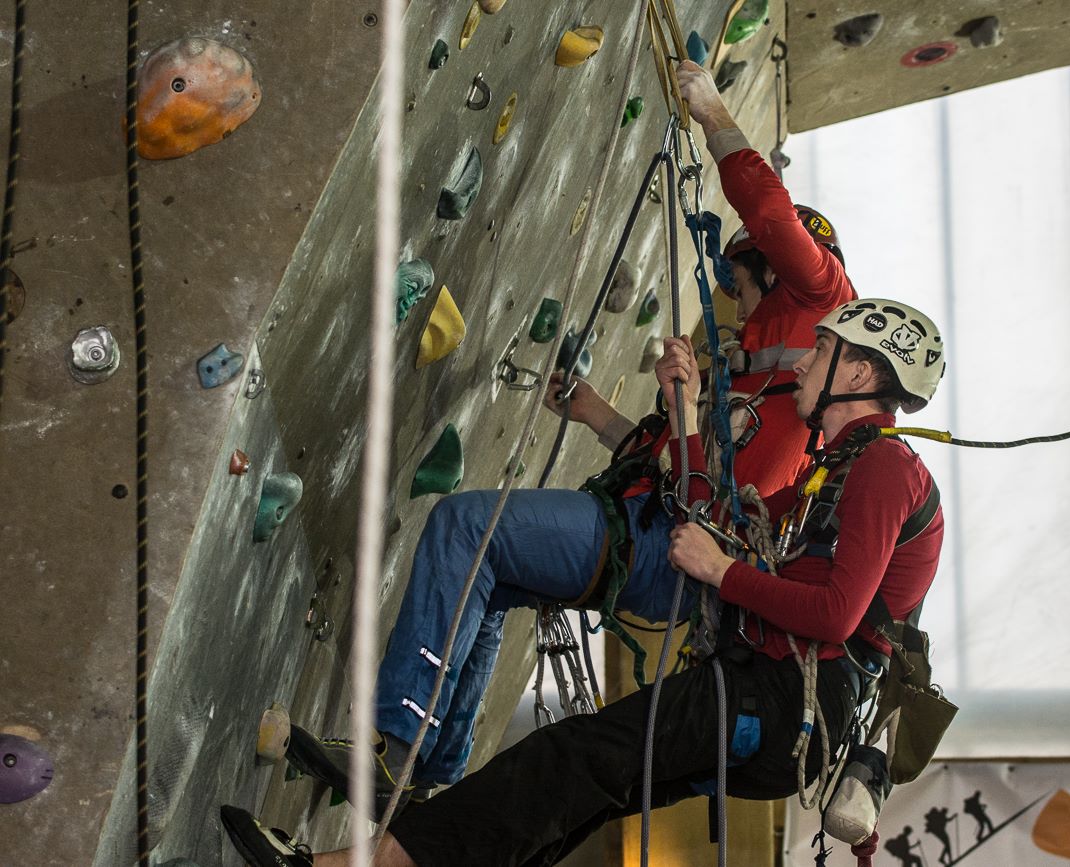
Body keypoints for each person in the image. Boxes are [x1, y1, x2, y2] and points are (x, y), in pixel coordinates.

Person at [279, 59, 856, 818]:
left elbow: (772, 214)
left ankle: (397, 742)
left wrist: (715, 114)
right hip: (662, 541)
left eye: (744, 285)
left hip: (671, 549)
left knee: (466, 525)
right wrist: (601, 417)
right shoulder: (762, 385)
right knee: (496, 577)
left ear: (775, 270)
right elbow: (682, 472)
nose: (738, 306)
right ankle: (434, 762)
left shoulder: (822, 299)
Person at [220, 297, 947, 867]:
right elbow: (716, 512)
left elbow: (835, 613)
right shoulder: (835, 472)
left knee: (566, 760)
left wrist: (722, 571)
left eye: (823, 350)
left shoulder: (887, 467)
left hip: (775, 700)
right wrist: (685, 409)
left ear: (858, 373)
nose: (807, 362)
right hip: (772, 710)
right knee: (576, 794)